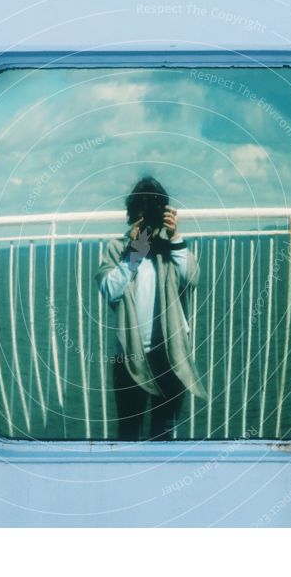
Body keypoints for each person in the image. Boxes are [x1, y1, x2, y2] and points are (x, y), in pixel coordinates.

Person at [95, 176, 208, 441]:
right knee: (128, 432)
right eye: (142, 213)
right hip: (130, 356)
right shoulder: (117, 248)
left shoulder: (170, 247)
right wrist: (134, 253)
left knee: (164, 432)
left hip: (169, 353)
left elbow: (192, 277)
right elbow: (109, 289)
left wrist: (175, 237)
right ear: (132, 216)